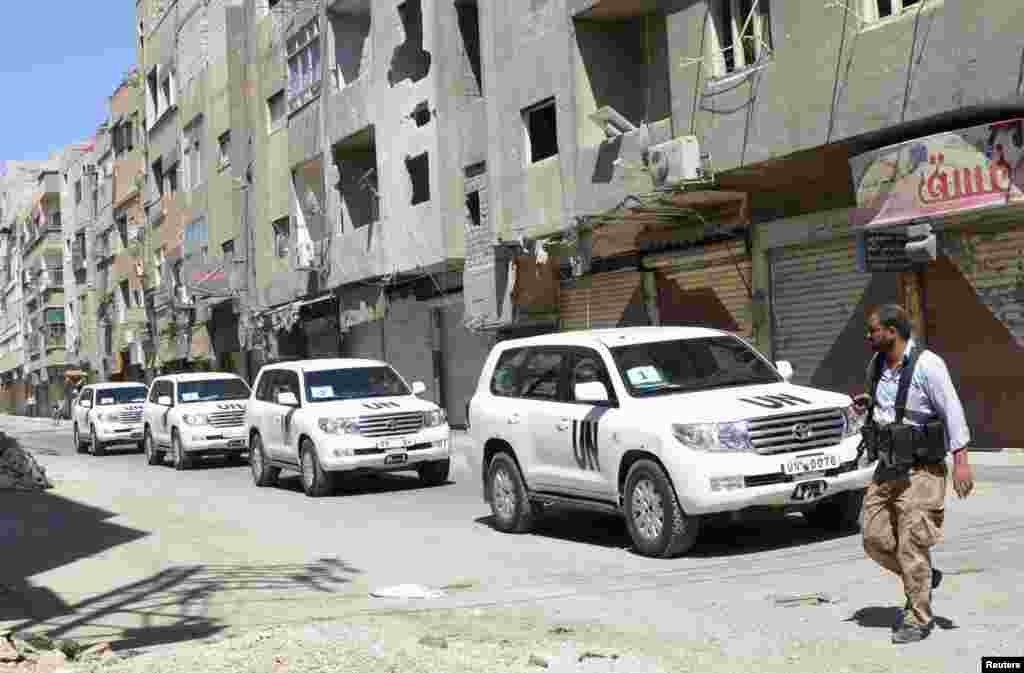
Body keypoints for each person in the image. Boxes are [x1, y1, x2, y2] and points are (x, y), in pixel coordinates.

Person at [854, 304, 974, 644]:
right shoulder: (876, 365)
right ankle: (921, 575)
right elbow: (889, 406)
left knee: (911, 543)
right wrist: (869, 403)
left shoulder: (928, 364)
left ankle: (918, 617)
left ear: (892, 332)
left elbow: (952, 411)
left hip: (922, 468)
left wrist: (961, 461)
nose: (868, 335)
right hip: (888, 465)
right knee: (873, 538)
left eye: (873, 329)